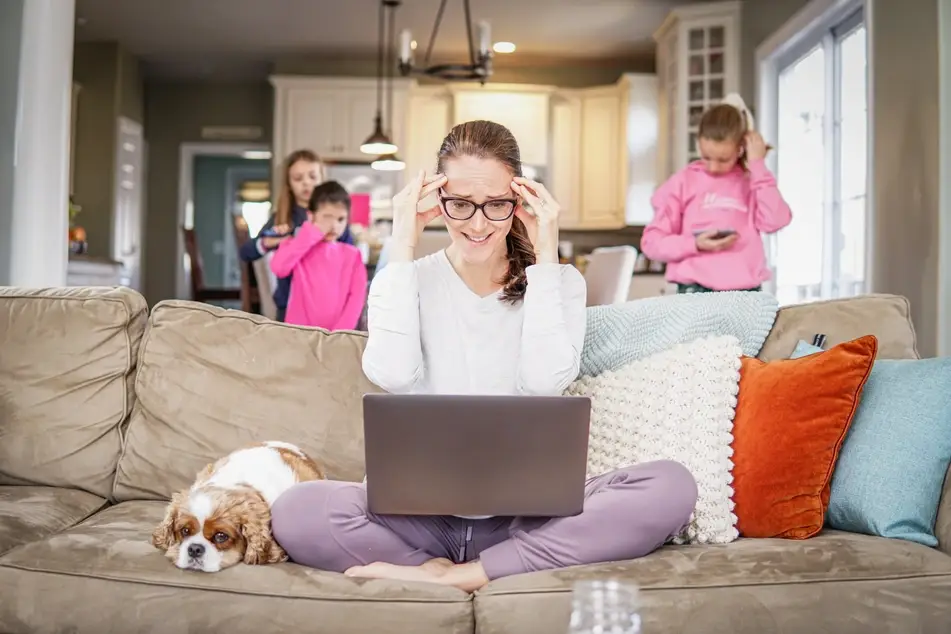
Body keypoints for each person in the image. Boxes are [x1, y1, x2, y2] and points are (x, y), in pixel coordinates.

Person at [269, 120, 698, 592]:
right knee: (294, 510)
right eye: (460, 204)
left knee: (671, 486)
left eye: (496, 205)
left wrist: (546, 254)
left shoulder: (558, 282)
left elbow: (542, 383)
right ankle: (458, 567)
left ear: (522, 200)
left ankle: (466, 573)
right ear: (436, 199)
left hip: (525, 519)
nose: (477, 224)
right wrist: (402, 243)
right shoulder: (407, 277)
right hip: (417, 518)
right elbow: (391, 373)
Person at [640, 94, 792, 293]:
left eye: (723, 159)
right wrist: (694, 244)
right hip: (694, 292)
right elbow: (651, 244)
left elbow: (776, 221)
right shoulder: (683, 182)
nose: (713, 167)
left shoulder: (753, 181)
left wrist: (758, 165)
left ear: (740, 149)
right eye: (706, 157)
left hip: (745, 295)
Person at [238, 149, 355, 321]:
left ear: (322, 179)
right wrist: (273, 241)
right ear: (289, 184)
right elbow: (246, 252)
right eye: (298, 179)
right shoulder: (282, 219)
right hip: (289, 305)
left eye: (312, 177)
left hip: (328, 305)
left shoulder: (336, 218)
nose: (306, 183)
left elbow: (350, 254)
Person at [269, 180, 367, 330]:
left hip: (337, 336)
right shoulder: (297, 246)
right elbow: (279, 267)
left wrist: (340, 333)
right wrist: (310, 232)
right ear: (311, 217)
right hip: (299, 333)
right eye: (327, 217)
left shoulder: (353, 255)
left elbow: (356, 299)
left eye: (341, 219)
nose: (334, 226)